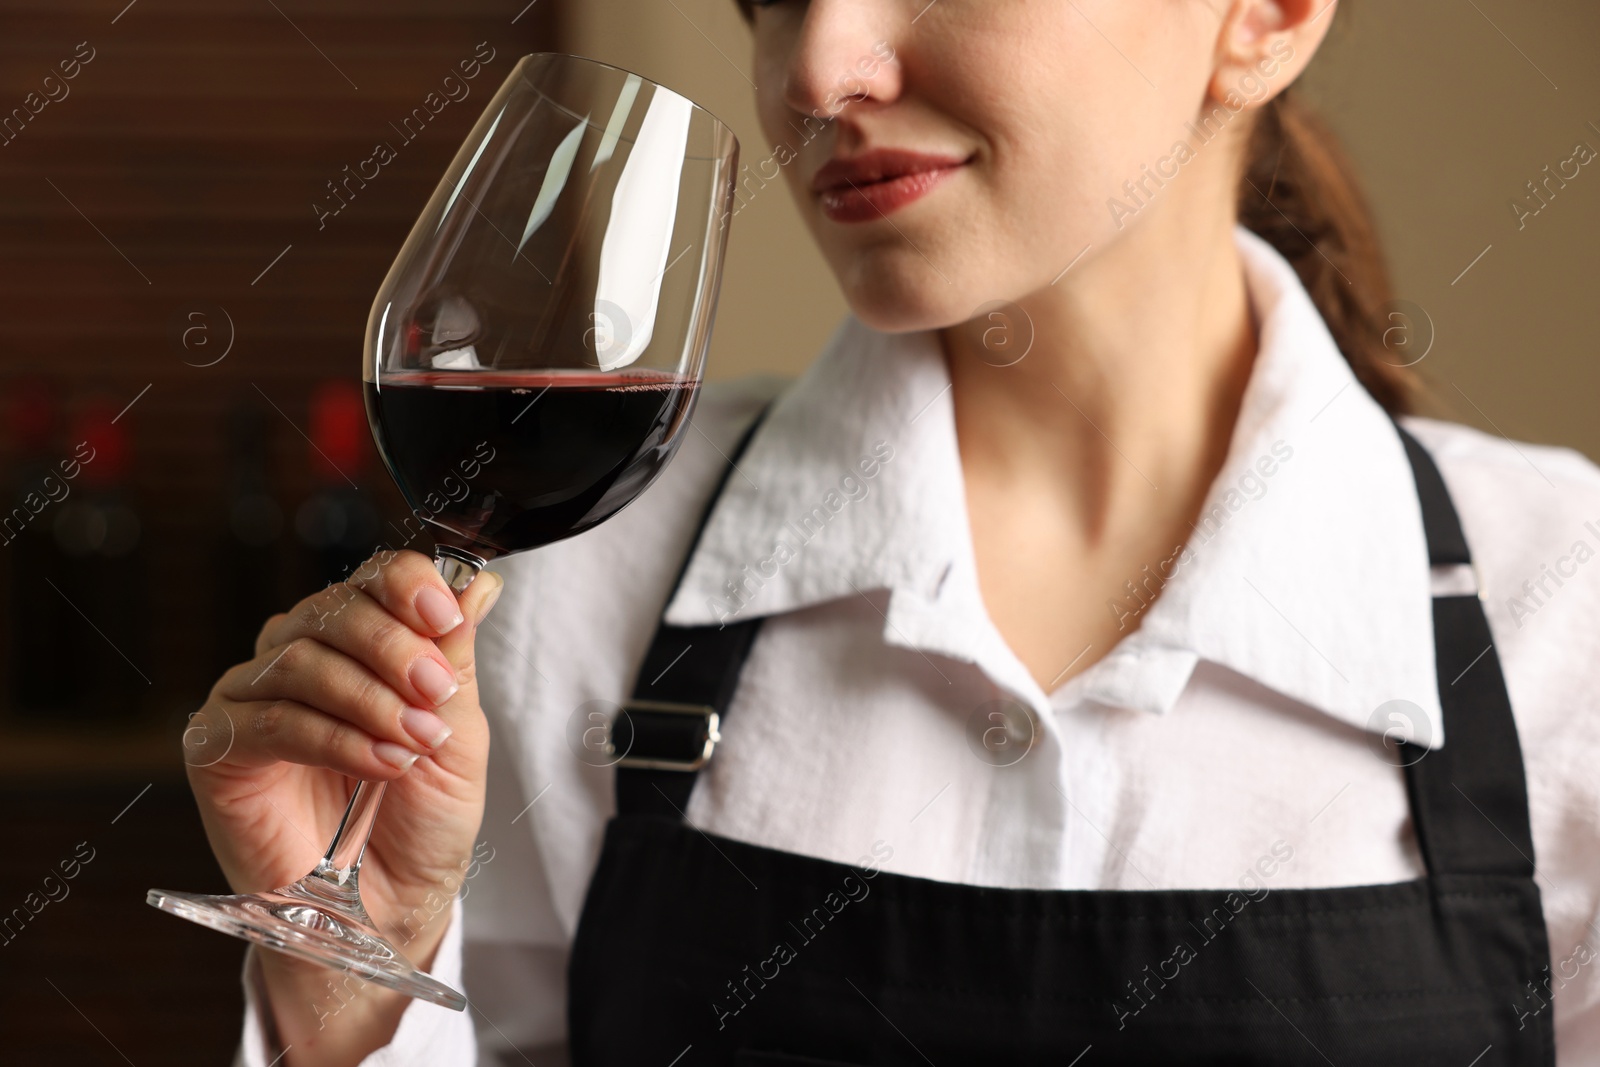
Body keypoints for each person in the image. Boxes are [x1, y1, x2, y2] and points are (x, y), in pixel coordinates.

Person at [202, 0, 1600, 1063]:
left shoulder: (1567, 610)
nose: (817, 69)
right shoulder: (581, 593)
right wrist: (351, 989)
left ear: (1270, 15)